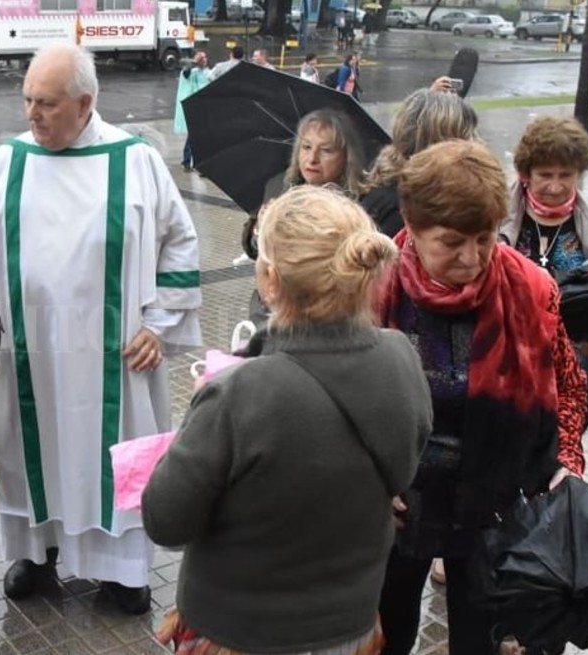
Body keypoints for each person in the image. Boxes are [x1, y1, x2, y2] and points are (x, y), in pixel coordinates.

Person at [0, 43, 202, 615]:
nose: (32, 115)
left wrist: (159, 325)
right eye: (28, 101)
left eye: (47, 104)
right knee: (30, 452)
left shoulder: (135, 162)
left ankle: (122, 572)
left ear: (86, 103)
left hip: (116, 357)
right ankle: (35, 555)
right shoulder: (5, 164)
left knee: (114, 459)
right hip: (28, 351)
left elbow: (181, 243)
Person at [145, 186, 431, 655]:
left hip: (241, 632)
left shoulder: (236, 395)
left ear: (272, 280)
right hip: (352, 627)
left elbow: (166, 520)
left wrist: (198, 417)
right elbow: (401, 473)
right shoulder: (401, 358)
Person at [375, 140, 588, 655]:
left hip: (491, 506)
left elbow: (568, 385)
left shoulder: (532, 290)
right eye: (451, 242)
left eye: (484, 238)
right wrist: (370, 480)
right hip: (399, 506)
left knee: (480, 641)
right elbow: (340, 402)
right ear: (412, 223)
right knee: (387, 631)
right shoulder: (373, 286)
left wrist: (567, 462)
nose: (471, 258)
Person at [499, 116, 588, 428]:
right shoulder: (498, 214)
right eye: (545, 175)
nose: (555, 186)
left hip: (577, 361)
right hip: (511, 359)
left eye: (566, 175)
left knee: (564, 450)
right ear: (525, 173)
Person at [242, 109, 366, 262]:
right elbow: (255, 251)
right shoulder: (279, 185)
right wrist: (260, 231)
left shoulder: (360, 205)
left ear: (347, 156)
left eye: (326, 150)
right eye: (306, 147)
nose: (312, 158)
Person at [360, 85, 480, 237]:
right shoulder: (408, 213)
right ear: (438, 145)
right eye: (466, 137)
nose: (474, 145)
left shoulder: (392, 184)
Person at [175, 50, 210, 171]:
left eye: (205, 58)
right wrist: (194, 62)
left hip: (204, 107)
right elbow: (186, 72)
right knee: (194, 135)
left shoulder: (208, 73)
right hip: (195, 107)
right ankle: (189, 160)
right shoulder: (191, 72)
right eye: (201, 58)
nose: (204, 60)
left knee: (198, 135)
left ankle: (193, 161)